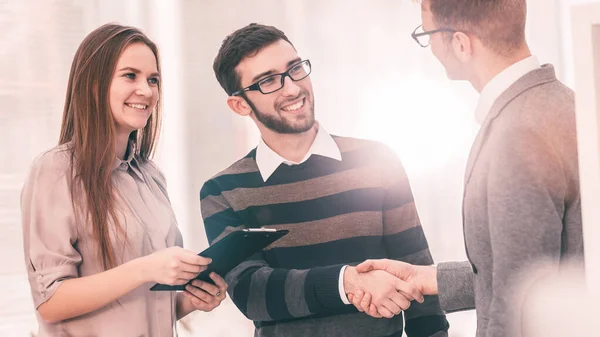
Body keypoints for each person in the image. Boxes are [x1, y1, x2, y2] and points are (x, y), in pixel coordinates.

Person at [349, 1, 584, 336]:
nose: (429, 47)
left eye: (427, 34)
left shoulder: (518, 133)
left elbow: (520, 304)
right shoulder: (561, 103)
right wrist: (427, 278)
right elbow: (533, 266)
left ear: (460, 43)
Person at [200, 23, 449, 337]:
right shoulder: (223, 191)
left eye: (295, 70)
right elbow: (252, 293)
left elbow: (418, 281)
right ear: (239, 104)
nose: (291, 89)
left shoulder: (378, 161)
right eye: (268, 82)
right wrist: (346, 282)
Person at [21, 23, 227, 336]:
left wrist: (191, 300)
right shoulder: (56, 170)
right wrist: (146, 268)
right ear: (93, 84)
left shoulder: (150, 176)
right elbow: (51, 301)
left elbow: (145, 305)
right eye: (130, 75)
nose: (146, 90)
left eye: (153, 80)